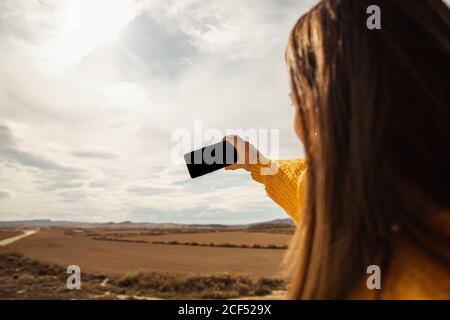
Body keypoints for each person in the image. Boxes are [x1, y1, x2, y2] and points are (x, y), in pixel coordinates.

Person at [224, 0, 450, 299]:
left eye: (299, 100)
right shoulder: (345, 200)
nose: (296, 123)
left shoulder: (416, 282)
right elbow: (304, 184)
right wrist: (257, 163)